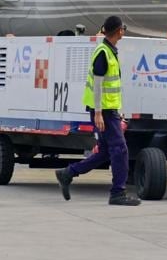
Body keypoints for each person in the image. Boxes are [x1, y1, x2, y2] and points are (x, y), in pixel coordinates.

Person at [55, 16, 141, 206]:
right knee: (120, 149)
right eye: (123, 28)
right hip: (104, 112)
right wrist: (99, 113)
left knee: (104, 152)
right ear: (119, 31)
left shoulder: (109, 50)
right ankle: (118, 192)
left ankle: (68, 173)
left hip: (109, 110)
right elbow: (98, 85)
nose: (124, 31)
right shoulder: (103, 52)